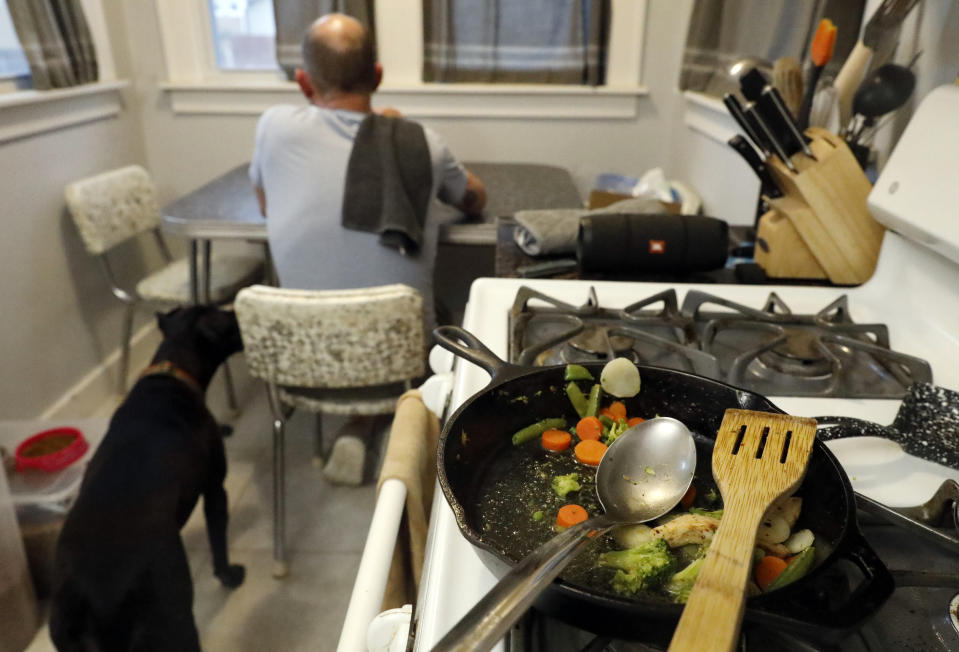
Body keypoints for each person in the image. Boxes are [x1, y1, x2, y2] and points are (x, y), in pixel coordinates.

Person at [249, 13, 485, 485]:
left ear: (302, 82)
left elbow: (264, 204)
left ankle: (358, 426)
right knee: (442, 309)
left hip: (299, 355)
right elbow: (475, 200)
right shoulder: (421, 142)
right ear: (377, 76)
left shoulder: (272, 127)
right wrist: (392, 134)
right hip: (398, 359)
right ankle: (386, 423)